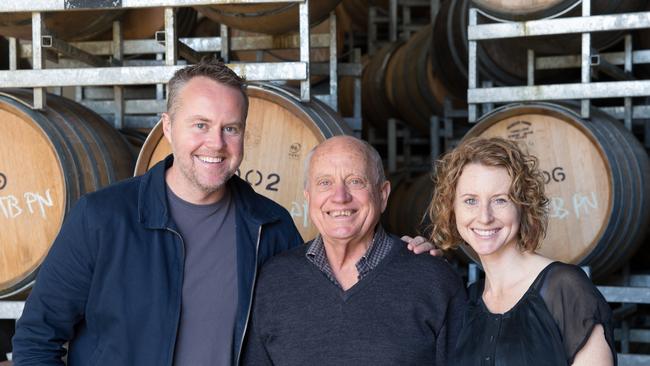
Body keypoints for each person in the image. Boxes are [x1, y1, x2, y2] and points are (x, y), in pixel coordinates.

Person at [12, 59, 434, 366]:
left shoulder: (270, 225)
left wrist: (405, 259)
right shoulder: (102, 218)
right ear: (167, 127)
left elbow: (330, 299)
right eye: (200, 125)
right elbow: (37, 339)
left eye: (230, 128)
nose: (215, 143)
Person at [242, 136, 466, 366]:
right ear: (309, 198)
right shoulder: (274, 280)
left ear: (383, 195)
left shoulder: (434, 281)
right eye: (324, 183)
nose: (340, 197)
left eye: (355, 181)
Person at [427, 137, 616, 366]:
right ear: (452, 209)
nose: (485, 217)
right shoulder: (470, 301)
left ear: (522, 206)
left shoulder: (564, 288)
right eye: (470, 201)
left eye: (500, 200)